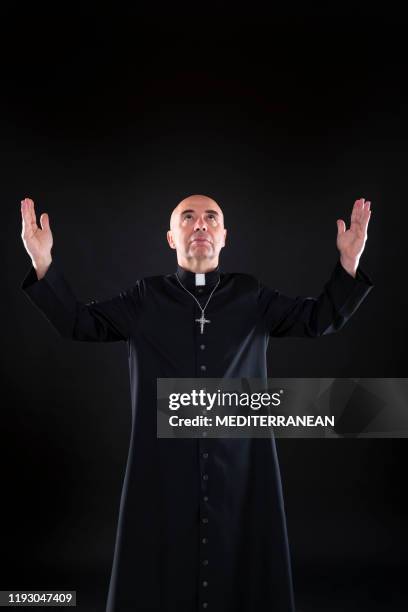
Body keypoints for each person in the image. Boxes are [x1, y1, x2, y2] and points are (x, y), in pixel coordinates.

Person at [20, 194, 373, 612]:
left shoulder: (250, 295)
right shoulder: (144, 298)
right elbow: (79, 322)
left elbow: (318, 319)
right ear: (171, 238)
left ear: (225, 237)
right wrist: (43, 264)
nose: (200, 225)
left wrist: (348, 264)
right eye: (188, 218)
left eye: (211, 218)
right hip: (162, 468)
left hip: (241, 466)